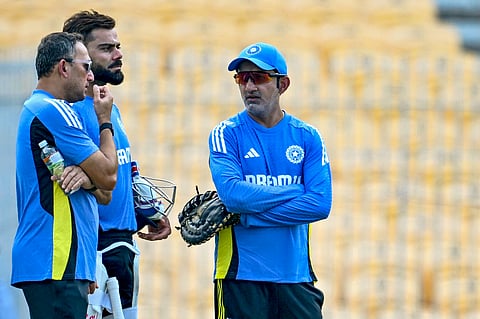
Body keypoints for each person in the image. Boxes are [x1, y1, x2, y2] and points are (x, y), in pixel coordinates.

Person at [208, 42, 332, 319]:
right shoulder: (225, 133)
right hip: (240, 275)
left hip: (295, 276)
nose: (249, 86)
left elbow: (320, 205)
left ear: (282, 84)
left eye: (259, 77)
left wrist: (249, 217)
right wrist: (296, 190)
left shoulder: (308, 136)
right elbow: (233, 196)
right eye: (242, 78)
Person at [63, 10, 172, 318]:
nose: (118, 54)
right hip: (95, 249)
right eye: (107, 48)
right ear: (81, 55)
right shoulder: (72, 114)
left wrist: (147, 210)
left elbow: (123, 166)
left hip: (123, 245)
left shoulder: (107, 107)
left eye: (118, 46)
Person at [12, 31, 118, 319]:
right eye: (86, 67)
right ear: (63, 67)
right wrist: (105, 121)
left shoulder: (40, 109)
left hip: (62, 264)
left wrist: (85, 177)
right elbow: (109, 175)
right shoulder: (55, 111)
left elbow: (104, 193)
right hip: (57, 260)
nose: (91, 77)